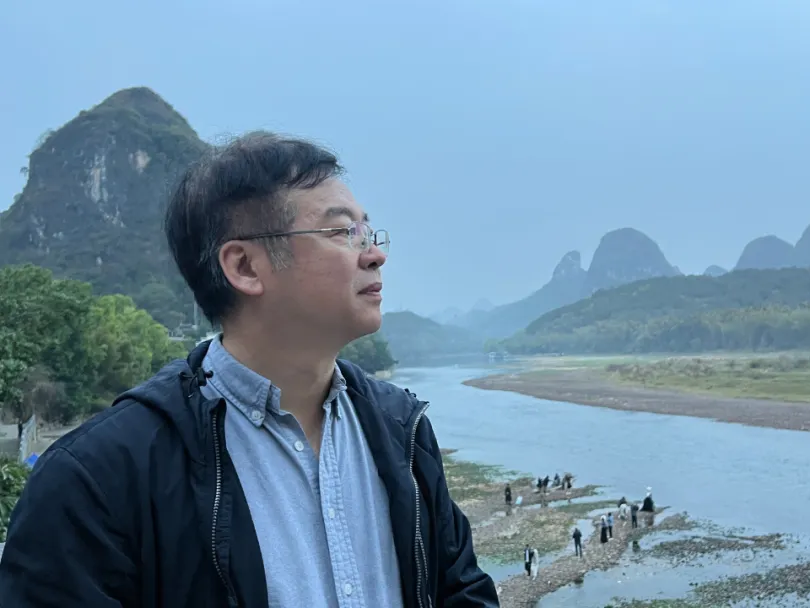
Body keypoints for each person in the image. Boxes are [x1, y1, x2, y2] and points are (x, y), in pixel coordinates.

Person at [0, 132, 498, 607]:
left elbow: (461, 591)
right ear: (244, 267)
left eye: (367, 231)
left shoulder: (401, 431)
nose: (375, 254)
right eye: (342, 231)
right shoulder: (97, 478)